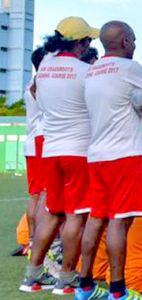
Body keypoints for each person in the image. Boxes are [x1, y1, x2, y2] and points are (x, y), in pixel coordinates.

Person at [78, 20, 142, 300]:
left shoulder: (92, 71)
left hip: (96, 155)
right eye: (135, 40)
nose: (136, 45)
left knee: (96, 218)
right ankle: (118, 290)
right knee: (118, 221)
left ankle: (85, 285)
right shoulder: (130, 68)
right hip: (123, 155)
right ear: (126, 41)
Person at [18, 17, 98, 295]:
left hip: (50, 150)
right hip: (79, 151)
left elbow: (39, 95)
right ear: (80, 43)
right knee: (76, 216)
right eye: (88, 41)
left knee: (52, 212)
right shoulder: (86, 71)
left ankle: (32, 276)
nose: (90, 47)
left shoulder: (45, 67)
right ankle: (67, 277)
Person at [23, 47, 47, 256]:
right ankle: (37, 241)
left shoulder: (31, 83)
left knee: (35, 195)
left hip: (32, 140)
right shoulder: (41, 83)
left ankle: (32, 240)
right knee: (42, 194)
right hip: (42, 139)